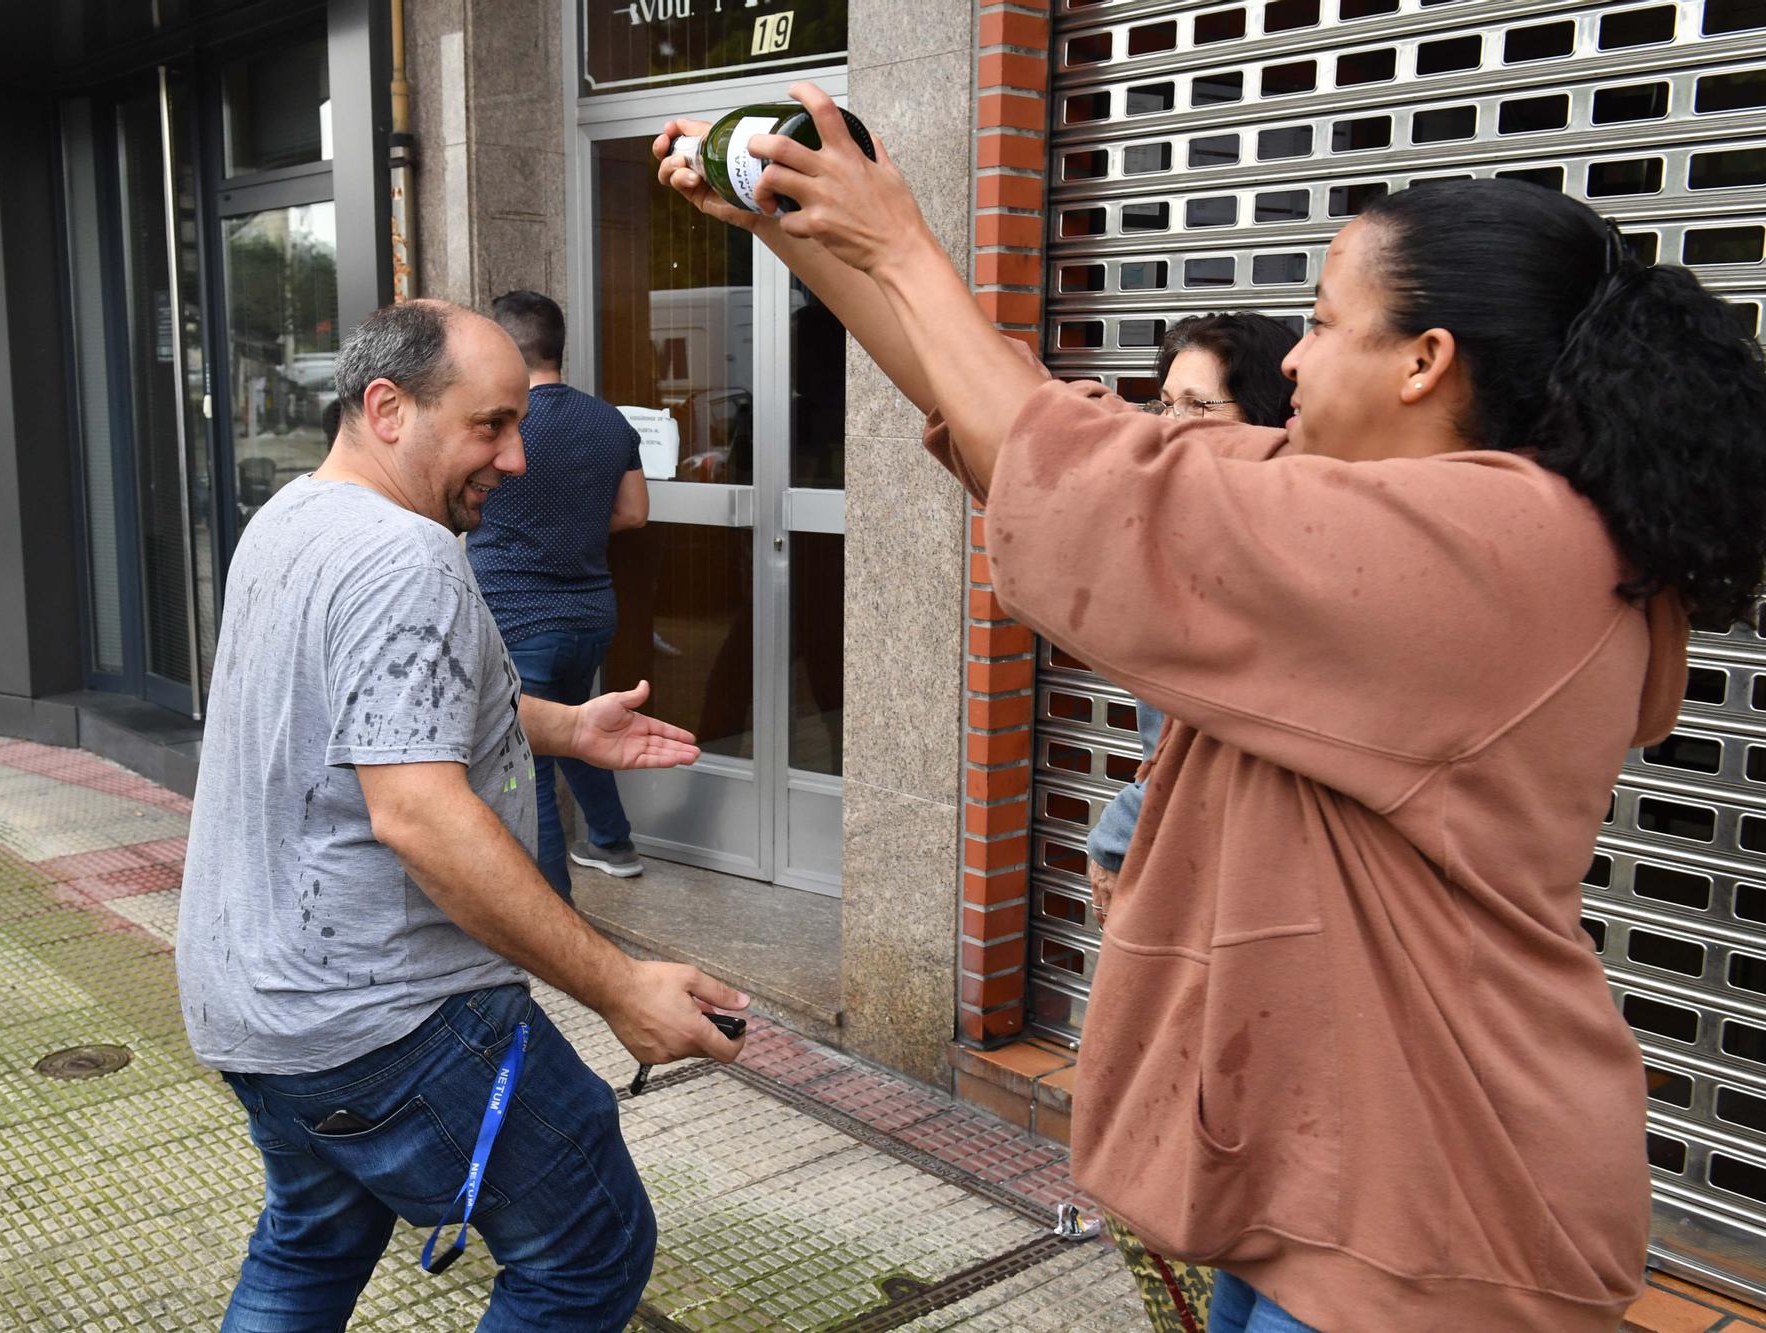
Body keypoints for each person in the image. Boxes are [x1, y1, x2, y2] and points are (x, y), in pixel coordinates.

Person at [655, 86, 1766, 1332]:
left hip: (1439, 1212)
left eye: (1317, 320)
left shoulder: (1510, 546)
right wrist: (804, 236)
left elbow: (1082, 478)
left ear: (1423, 359)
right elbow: (1029, 432)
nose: (1287, 357)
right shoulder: (1362, 498)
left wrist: (895, 239)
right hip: (1326, 1172)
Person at [176, 298, 749, 1332]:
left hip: (252, 1005)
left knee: (311, 1240)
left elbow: (374, 717)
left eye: (516, 423)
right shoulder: (410, 558)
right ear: (387, 407)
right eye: (491, 425)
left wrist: (565, 728)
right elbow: (420, 815)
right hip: (386, 1020)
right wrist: (620, 987)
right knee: (588, 1250)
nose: (516, 458)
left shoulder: (291, 518)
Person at [1086, 313, 1298, 1333]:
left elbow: (1222, 749)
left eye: (1196, 408)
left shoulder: (1284, 568)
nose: (1166, 429)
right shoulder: (1191, 547)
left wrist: (1119, 837)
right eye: (1158, 404)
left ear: (1267, 421)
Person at [466, 290, 650, 897]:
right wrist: (574, 524)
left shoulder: (499, 426)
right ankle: (612, 841)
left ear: (508, 351)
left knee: (528, 755)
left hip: (518, 616)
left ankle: (551, 906)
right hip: (591, 613)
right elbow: (634, 514)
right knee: (573, 725)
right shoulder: (609, 420)